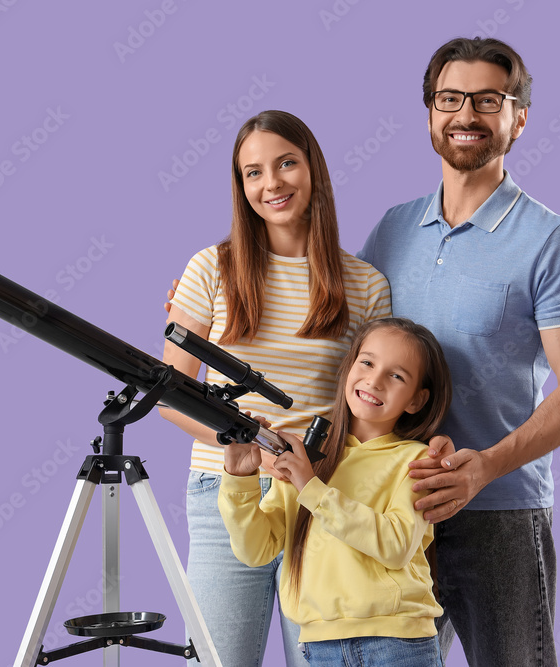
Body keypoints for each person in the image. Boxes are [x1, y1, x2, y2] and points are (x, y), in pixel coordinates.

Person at [358, 37, 560, 666]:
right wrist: (216, 292)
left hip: (497, 515)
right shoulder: (392, 228)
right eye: (449, 98)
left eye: (487, 100)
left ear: (518, 117)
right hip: (391, 510)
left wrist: (483, 469)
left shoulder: (550, 240)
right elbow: (339, 336)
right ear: (429, 112)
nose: (465, 115)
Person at [159, 109, 392, 667]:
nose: (272, 184)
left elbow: (370, 410)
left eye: (286, 163)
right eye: (253, 172)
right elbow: (169, 392)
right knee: (220, 660)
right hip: (224, 492)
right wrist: (240, 445)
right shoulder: (211, 268)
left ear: (312, 168)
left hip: (319, 498)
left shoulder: (365, 285)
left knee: (321, 658)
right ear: (241, 187)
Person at [218, 317, 451, 667]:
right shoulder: (306, 459)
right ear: (349, 367)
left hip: (396, 643)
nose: (374, 380)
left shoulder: (416, 461)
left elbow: (396, 545)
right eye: (368, 362)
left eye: (396, 375)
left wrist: (310, 487)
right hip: (319, 645)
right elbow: (256, 550)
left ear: (417, 400)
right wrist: (240, 481)